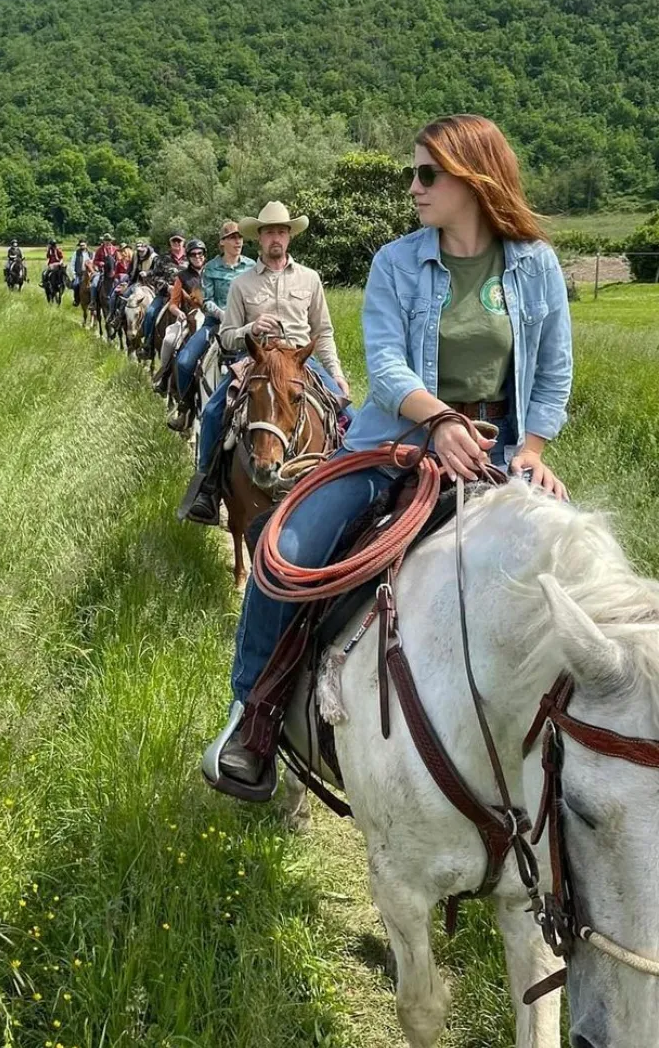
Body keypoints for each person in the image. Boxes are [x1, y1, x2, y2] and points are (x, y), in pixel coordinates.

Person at [209, 115, 573, 791]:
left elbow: (553, 370)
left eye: (426, 173)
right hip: (394, 446)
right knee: (284, 547)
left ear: (473, 177)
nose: (412, 186)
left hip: (499, 453)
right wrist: (436, 422)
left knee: (582, 571)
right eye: (413, 172)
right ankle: (252, 715)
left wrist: (535, 450)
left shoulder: (536, 265)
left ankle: (589, 756)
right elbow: (387, 359)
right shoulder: (396, 262)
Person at [181, 202, 351, 526]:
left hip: (301, 361)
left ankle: (354, 491)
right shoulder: (242, 284)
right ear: (259, 238)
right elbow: (228, 336)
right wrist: (250, 329)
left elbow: (324, 333)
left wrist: (338, 374)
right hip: (255, 360)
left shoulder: (310, 279)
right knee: (215, 412)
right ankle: (207, 489)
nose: (276, 237)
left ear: (289, 237)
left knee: (351, 417)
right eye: (270, 231)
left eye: (282, 231)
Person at [168, 220, 254, 432]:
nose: (238, 241)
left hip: (247, 325)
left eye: (240, 237)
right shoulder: (211, 268)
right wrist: (225, 315)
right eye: (233, 237)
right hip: (215, 323)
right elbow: (206, 301)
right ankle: (185, 408)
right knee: (184, 362)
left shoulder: (252, 266)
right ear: (222, 243)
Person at [152, 239, 207, 395]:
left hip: (211, 318)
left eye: (200, 253)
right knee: (169, 341)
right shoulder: (182, 277)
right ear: (188, 257)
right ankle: (164, 376)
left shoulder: (213, 273)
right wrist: (179, 313)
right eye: (193, 254)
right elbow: (173, 304)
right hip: (188, 318)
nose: (197, 257)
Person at [141, 233, 188, 357]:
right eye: (174, 241)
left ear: (184, 242)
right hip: (164, 295)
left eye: (179, 241)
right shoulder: (161, 259)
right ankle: (147, 345)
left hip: (187, 296)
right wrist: (168, 287)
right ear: (170, 243)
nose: (177, 244)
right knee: (150, 313)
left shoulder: (190, 258)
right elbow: (154, 277)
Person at [70, 240, 92, 305]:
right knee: (75, 285)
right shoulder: (76, 253)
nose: (82, 246)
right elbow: (72, 264)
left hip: (90, 274)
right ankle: (76, 300)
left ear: (86, 245)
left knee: (95, 286)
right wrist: (73, 273)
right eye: (80, 245)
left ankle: (95, 301)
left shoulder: (91, 253)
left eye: (83, 245)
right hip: (79, 274)